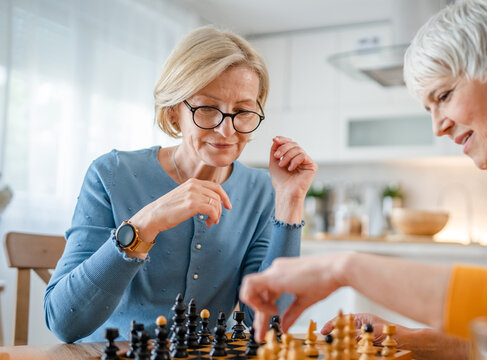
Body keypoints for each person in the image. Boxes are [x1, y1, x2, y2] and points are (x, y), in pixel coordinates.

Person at [239, 1, 487, 359]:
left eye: (444, 95)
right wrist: (404, 338)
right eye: (429, 107)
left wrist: (344, 268)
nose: (438, 127)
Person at [44, 26, 317, 343]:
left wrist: (290, 201)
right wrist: (146, 224)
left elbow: (265, 323)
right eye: (207, 108)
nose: (226, 130)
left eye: (242, 111)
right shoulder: (111, 173)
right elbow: (64, 322)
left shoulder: (260, 190)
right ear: (174, 111)